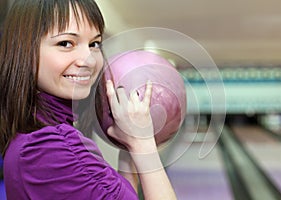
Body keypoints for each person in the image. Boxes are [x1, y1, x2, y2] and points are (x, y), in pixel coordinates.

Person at [0, 0, 177, 199]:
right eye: (66, 43)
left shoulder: (39, 136)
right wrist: (144, 144)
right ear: (25, 50)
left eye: (94, 44)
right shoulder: (49, 149)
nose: (89, 60)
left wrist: (130, 145)